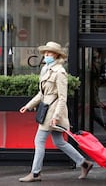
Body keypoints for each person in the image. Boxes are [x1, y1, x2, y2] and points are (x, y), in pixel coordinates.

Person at [18, 41, 93, 182]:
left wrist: (56, 116)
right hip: (47, 111)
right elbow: (42, 94)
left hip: (53, 113)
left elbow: (62, 98)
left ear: (56, 55)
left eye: (49, 52)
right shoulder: (46, 69)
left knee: (39, 141)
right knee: (59, 142)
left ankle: (35, 173)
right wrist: (29, 105)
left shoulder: (60, 72)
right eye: (45, 52)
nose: (46, 55)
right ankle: (84, 163)